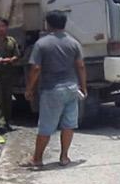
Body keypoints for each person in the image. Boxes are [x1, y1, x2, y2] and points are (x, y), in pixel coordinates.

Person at [20, 11, 87, 168]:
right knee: (68, 124)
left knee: (46, 126)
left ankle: (37, 159)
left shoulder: (42, 44)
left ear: (48, 24)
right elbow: (81, 66)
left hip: (52, 89)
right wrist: (83, 86)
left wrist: (28, 89)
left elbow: (36, 68)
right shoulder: (73, 42)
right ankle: (64, 157)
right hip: (72, 87)